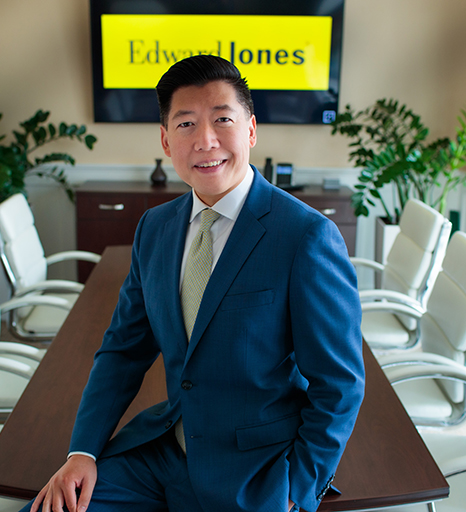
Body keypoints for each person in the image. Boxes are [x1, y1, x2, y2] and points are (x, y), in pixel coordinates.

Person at [25, 54, 364, 512]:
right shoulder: (155, 228)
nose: (206, 140)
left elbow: (339, 383)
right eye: (186, 125)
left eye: (222, 119)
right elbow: (123, 350)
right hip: (163, 451)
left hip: (255, 474)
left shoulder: (304, 236)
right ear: (166, 140)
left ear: (250, 130)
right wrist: (82, 451)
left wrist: (294, 489)